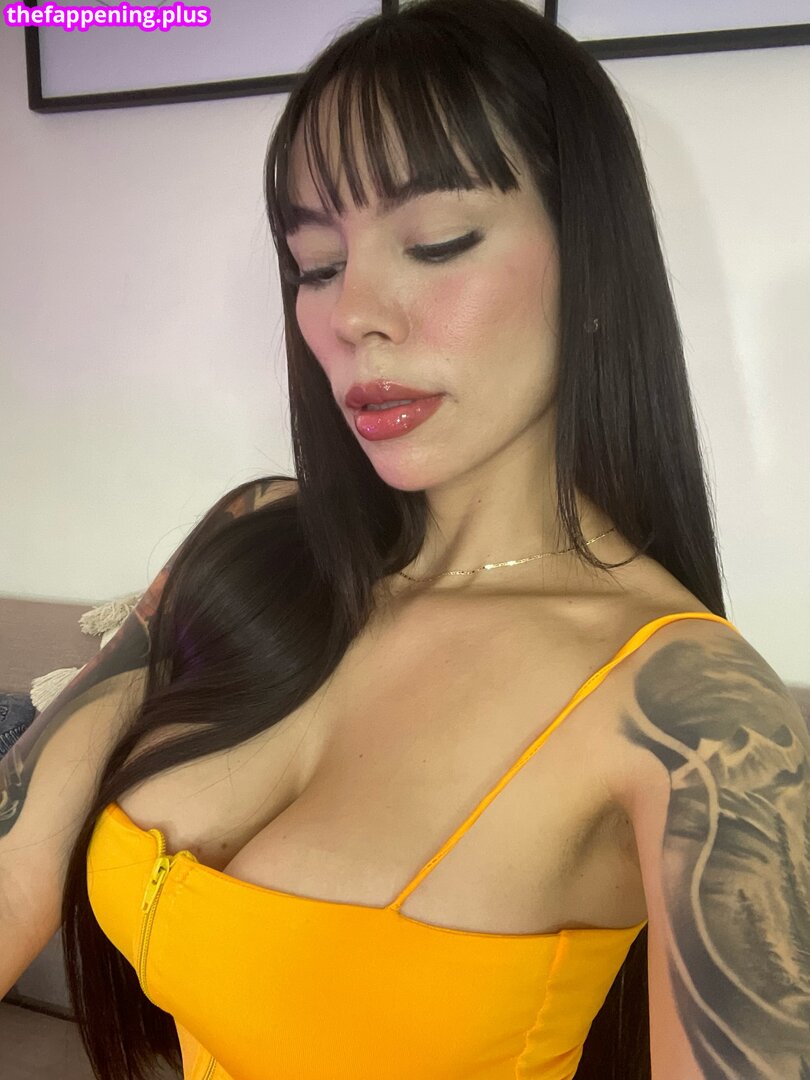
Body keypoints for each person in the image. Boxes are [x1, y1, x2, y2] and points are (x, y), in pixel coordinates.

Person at [2, 1, 807, 1078]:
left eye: (436, 244)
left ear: (594, 269)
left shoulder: (694, 716)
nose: (354, 314)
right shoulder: (250, 545)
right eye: (316, 264)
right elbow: (14, 868)